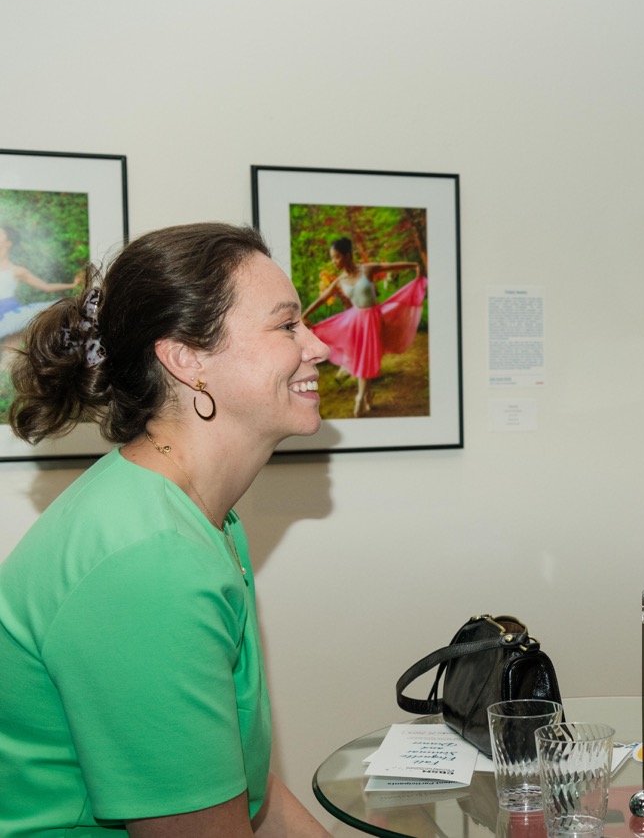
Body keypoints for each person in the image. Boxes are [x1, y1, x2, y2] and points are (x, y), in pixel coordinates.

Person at [0, 223, 333, 837]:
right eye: (286, 325)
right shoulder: (151, 562)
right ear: (186, 357)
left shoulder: (198, 519)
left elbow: (238, 783)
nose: (319, 347)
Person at [300, 236, 425, 417]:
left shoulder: (367, 270)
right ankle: (365, 397)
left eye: (337, 257)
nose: (334, 261)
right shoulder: (339, 280)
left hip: (373, 319)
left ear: (348, 254)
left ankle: (362, 397)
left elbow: (391, 266)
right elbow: (322, 299)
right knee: (363, 359)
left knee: (367, 358)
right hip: (355, 321)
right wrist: (305, 314)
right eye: (332, 258)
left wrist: (414, 265)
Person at [0, 223, 84, 366]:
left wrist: (72, 285)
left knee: (10, 353)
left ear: (8, 243)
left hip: (10, 312)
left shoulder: (17, 271)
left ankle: (6, 382)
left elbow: (45, 286)